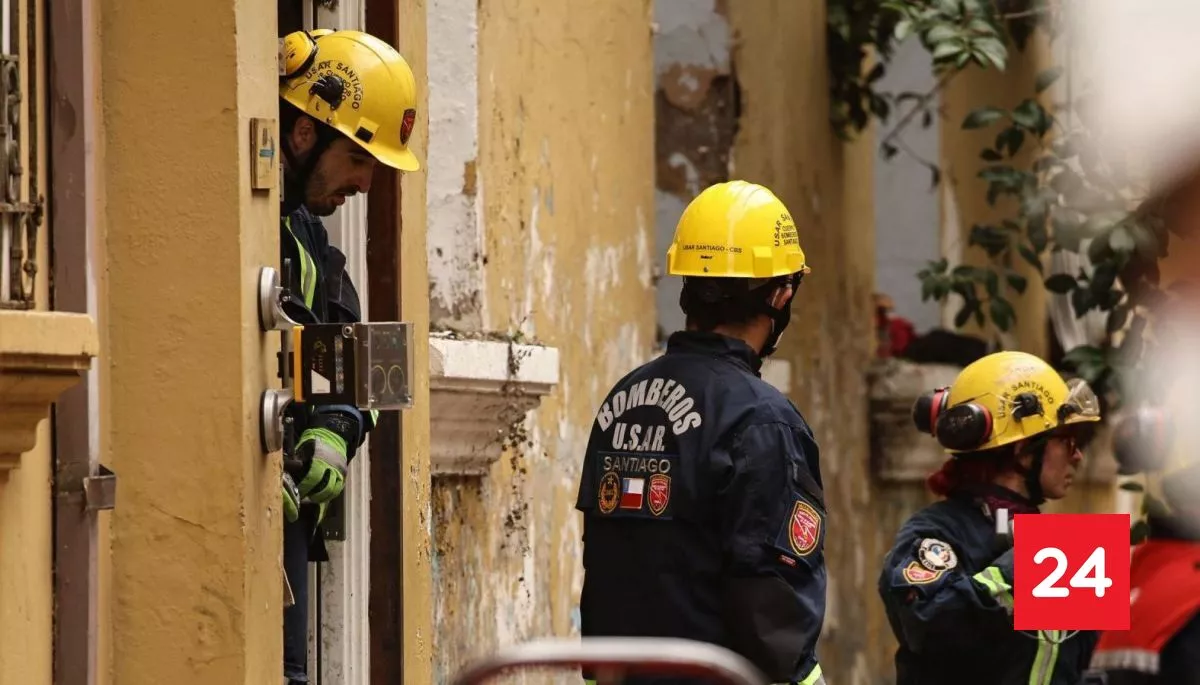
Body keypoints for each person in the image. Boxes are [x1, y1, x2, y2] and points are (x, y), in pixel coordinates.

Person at [574, 180, 827, 685]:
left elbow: (610, 567)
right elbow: (772, 609)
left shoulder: (625, 401)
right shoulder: (763, 420)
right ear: (781, 294)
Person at [276, 28, 421, 685]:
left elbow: (359, 357)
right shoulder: (254, 222)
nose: (366, 183)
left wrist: (339, 423)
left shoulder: (308, 237)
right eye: (360, 158)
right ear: (306, 134)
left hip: (284, 530)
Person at [877, 350, 1103, 685]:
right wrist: (1026, 565)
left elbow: (1079, 663)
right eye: (1068, 441)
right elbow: (927, 624)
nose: (1078, 457)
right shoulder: (935, 531)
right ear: (1022, 449)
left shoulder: (1069, 544)